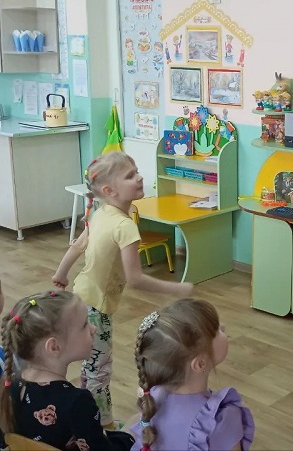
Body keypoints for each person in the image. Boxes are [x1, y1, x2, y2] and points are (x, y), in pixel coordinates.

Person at [52, 152, 193, 431]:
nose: (139, 177)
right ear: (109, 190)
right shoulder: (125, 226)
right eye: (130, 175)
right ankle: (102, 425)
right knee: (99, 368)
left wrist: (61, 273)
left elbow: (78, 245)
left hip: (79, 296)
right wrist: (177, 288)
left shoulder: (101, 212)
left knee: (90, 364)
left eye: (137, 171)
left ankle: (85, 414)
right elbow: (135, 278)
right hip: (96, 307)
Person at [0, 290, 134, 450]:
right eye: (84, 325)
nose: (93, 328)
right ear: (54, 347)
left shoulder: (10, 383)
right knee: (135, 424)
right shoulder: (77, 402)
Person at [131, 298, 255, 451]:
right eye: (216, 330)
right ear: (200, 364)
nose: (223, 326)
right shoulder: (220, 419)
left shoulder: (152, 398)